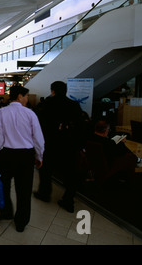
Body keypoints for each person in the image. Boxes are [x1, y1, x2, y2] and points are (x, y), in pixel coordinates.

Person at [0, 85, 45, 232]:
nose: (27, 99)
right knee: (24, 190)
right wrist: (39, 156)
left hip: (7, 155)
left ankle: (6, 213)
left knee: (4, 188)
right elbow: (38, 139)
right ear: (20, 96)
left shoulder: (1, 112)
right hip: (26, 157)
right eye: (26, 96)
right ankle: (21, 222)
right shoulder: (30, 114)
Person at [34, 81, 85, 213]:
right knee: (70, 173)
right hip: (69, 145)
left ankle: (44, 194)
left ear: (53, 91)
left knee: (46, 170)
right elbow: (81, 126)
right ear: (66, 90)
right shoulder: (74, 105)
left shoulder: (47, 104)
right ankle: (68, 201)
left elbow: (39, 124)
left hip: (50, 143)